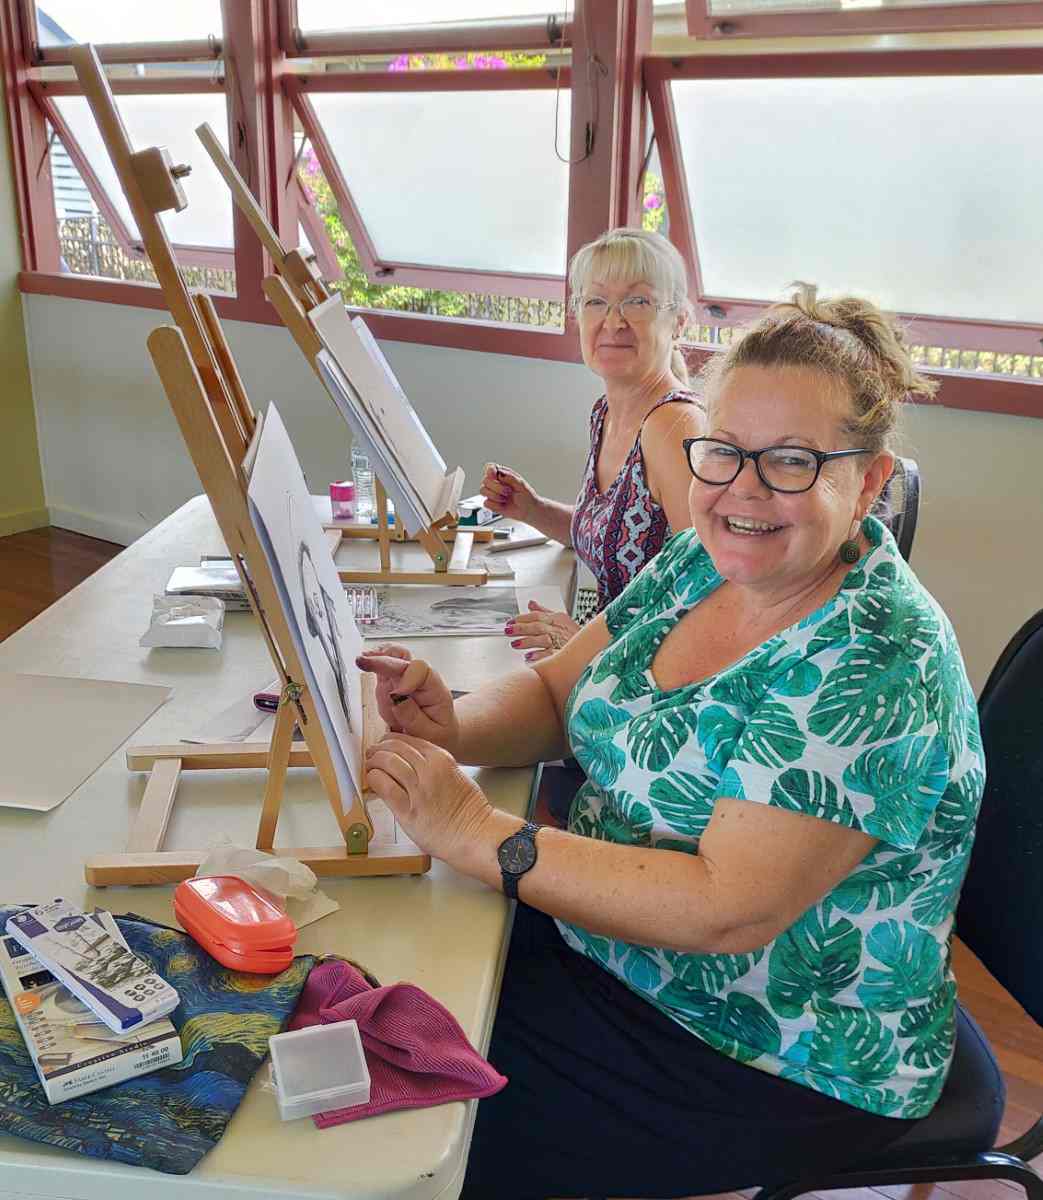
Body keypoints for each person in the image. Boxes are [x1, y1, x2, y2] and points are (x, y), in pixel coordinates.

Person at [358, 287, 987, 1199]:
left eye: (793, 462)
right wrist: (451, 724)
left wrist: (479, 833)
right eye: (724, 452)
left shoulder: (876, 660)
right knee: (378, 987)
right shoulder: (706, 555)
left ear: (870, 482)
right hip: (612, 943)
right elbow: (554, 689)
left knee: (414, 1136)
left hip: (763, 1040)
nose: (743, 490)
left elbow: (724, 909)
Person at [480, 228, 705, 662]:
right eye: (596, 301)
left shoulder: (674, 427)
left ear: (678, 320)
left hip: (648, 678)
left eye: (637, 302)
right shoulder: (606, 413)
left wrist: (583, 646)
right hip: (610, 657)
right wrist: (533, 510)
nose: (613, 321)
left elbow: (705, 593)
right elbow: (613, 540)